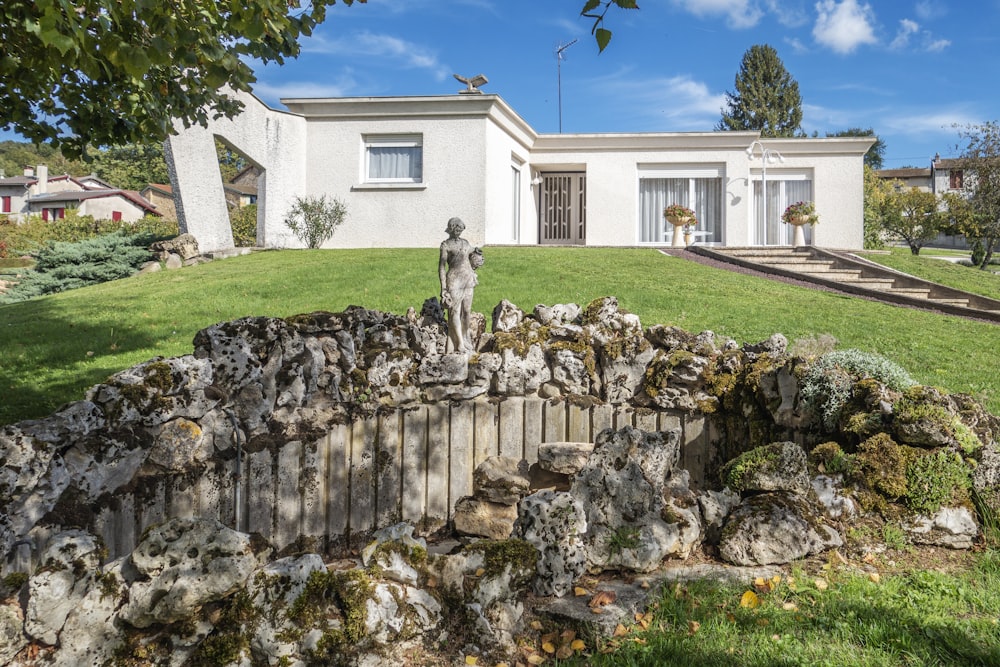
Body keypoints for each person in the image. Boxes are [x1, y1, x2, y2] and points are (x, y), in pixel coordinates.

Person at [438, 217, 482, 353]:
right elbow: (441, 267)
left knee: (467, 311)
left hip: (468, 279)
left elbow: (472, 252)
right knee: (455, 312)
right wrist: (443, 288)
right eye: (456, 228)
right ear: (451, 228)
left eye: (460, 229)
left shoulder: (465, 243)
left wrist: (478, 254)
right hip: (454, 280)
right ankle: (460, 344)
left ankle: (465, 337)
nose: (458, 231)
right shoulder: (446, 245)